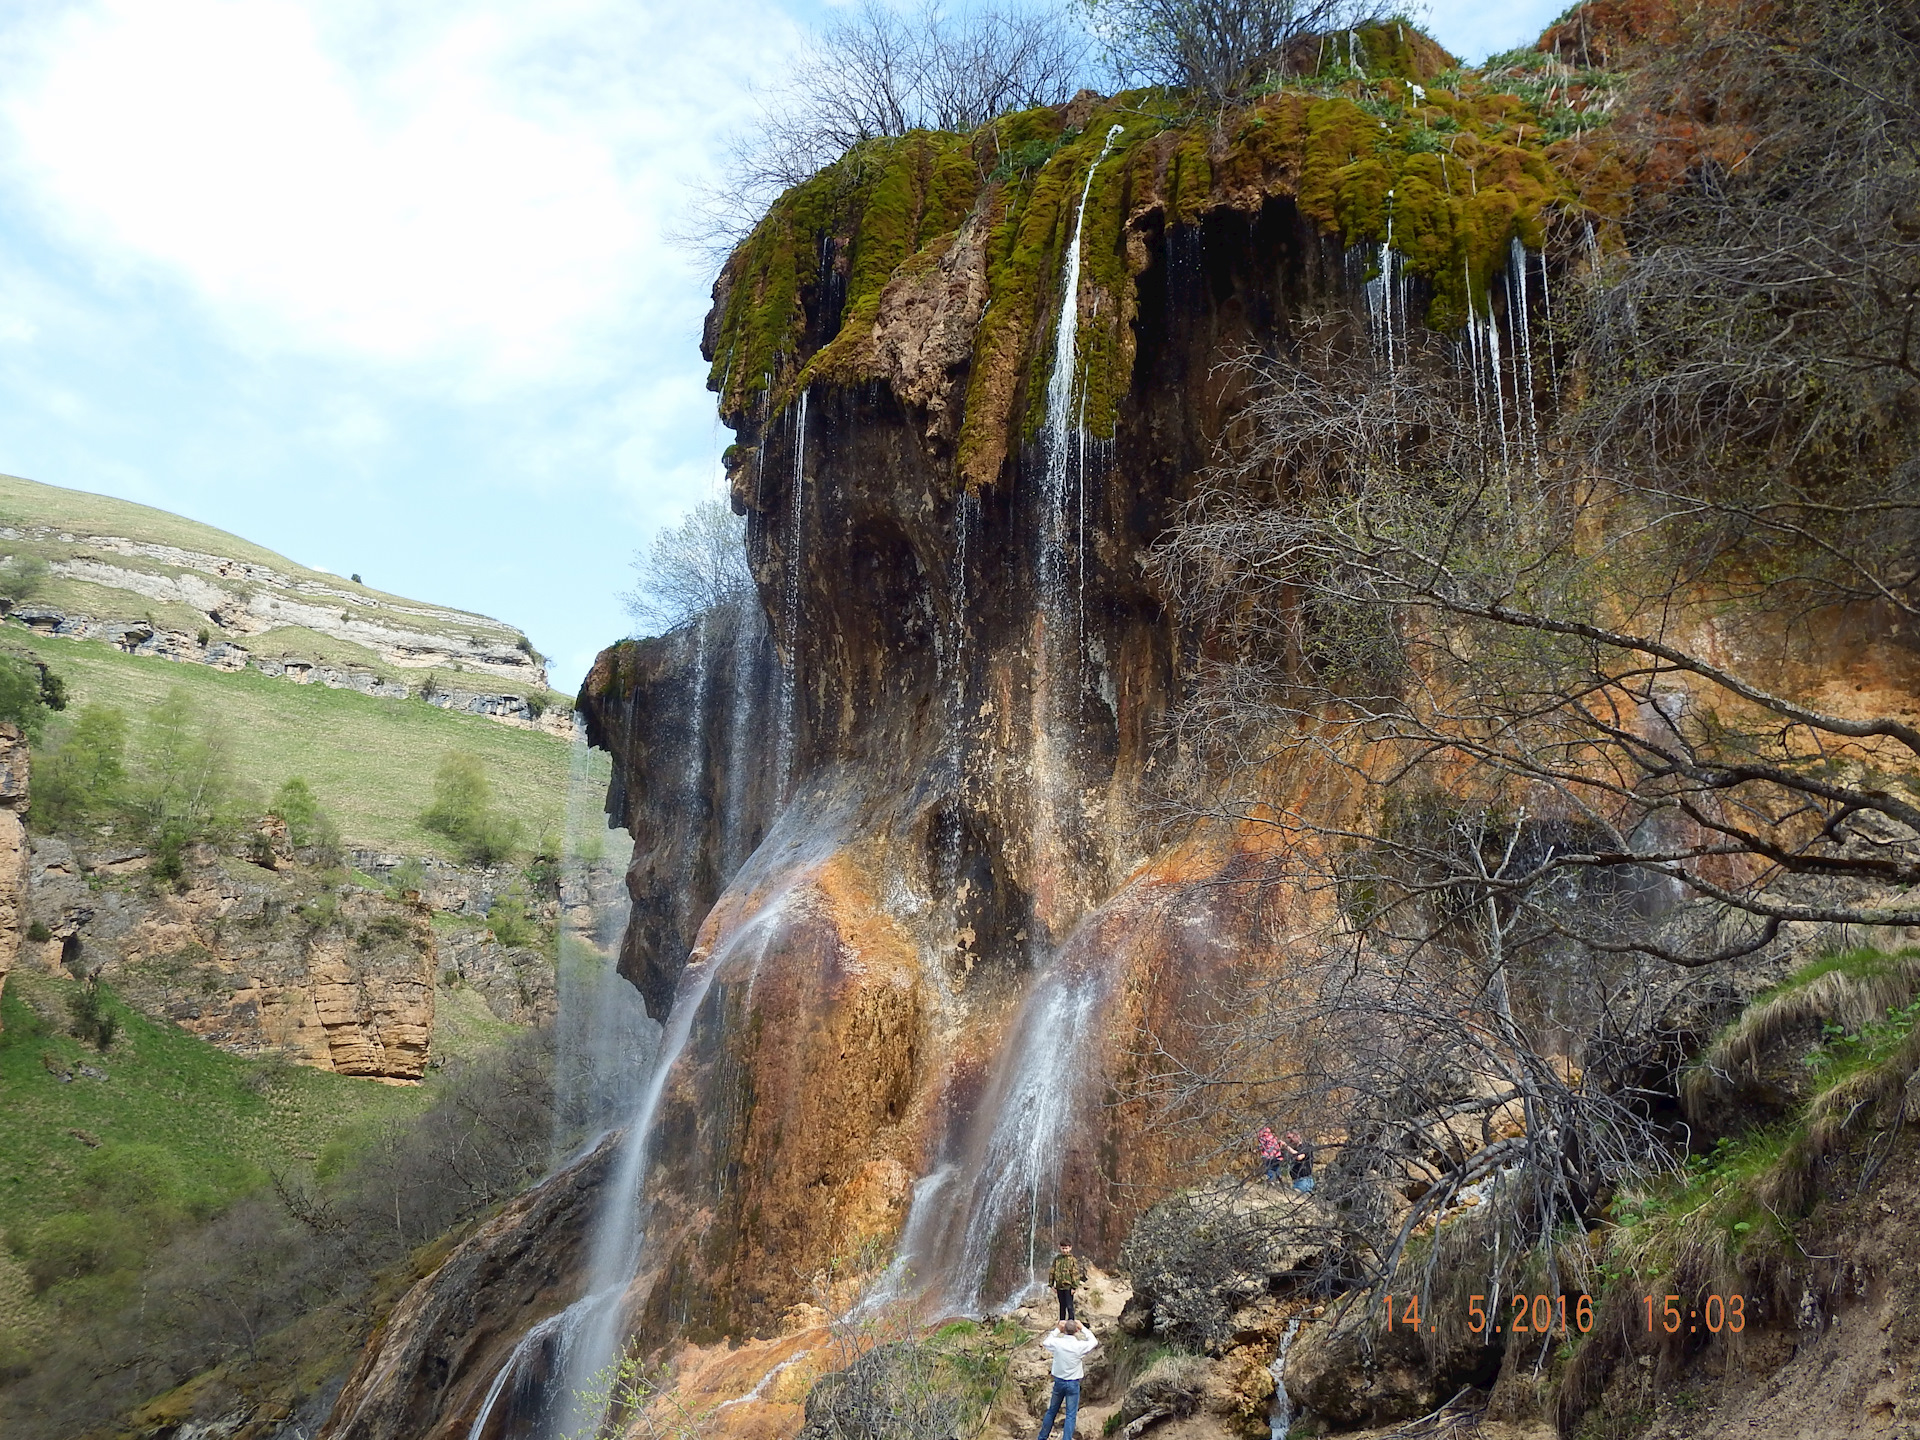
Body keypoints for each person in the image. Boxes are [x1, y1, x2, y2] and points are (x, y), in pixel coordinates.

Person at [1036, 1318, 1098, 1440]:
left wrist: (1057, 1329)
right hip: (1073, 1383)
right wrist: (1083, 1328)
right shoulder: (1079, 1346)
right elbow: (1094, 1341)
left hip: (1059, 1382)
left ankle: (1042, 1437)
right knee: (1070, 1415)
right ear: (1076, 1330)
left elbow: (1046, 1342)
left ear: (1064, 1330)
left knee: (1052, 1411)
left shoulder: (1058, 1343)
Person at [1048, 1238, 1087, 1321]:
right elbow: (1052, 1271)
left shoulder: (1072, 1260)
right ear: (1060, 1247)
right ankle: (1061, 1323)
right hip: (1059, 1287)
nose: (1064, 1250)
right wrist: (1051, 1284)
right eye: (1063, 1248)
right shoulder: (1057, 1259)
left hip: (1068, 1287)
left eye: (1066, 1248)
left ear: (1070, 1248)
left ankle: (1071, 1322)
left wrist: (1074, 1286)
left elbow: (1075, 1273)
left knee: (1069, 1306)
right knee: (1062, 1306)